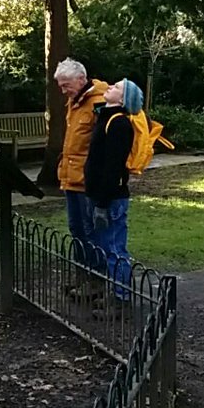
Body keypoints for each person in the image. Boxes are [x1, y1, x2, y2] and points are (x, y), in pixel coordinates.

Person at [83, 78, 143, 299]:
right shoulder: (105, 118)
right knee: (105, 247)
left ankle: (121, 298)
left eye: (116, 87)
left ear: (124, 99)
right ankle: (113, 292)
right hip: (98, 195)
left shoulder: (119, 124)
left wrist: (101, 203)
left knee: (115, 250)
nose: (109, 87)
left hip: (110, 199)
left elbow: (113, 168)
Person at [54, 58, 107, 266]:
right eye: (60, 86)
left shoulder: (99, 102)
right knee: (76, 228)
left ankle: (97, 276)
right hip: (71, 177)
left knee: (90, 230)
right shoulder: (75, 101)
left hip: (87, 179)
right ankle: (83, 272)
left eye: (66, 85)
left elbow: (102, 144)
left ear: (81, 79)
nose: (63, 91)